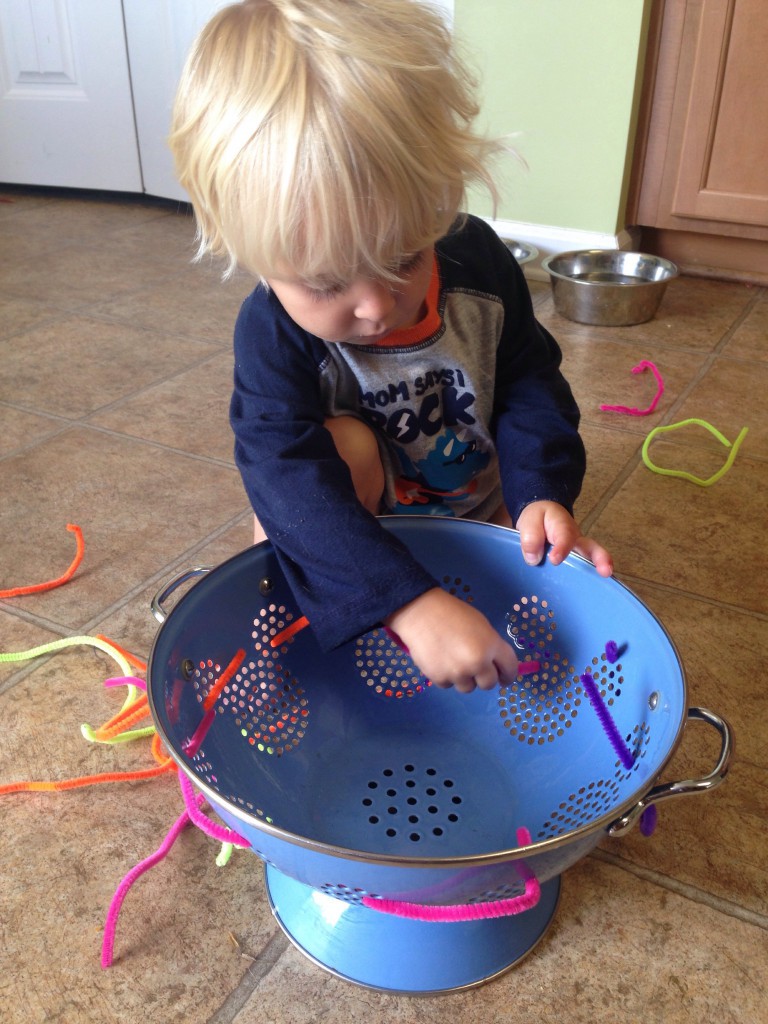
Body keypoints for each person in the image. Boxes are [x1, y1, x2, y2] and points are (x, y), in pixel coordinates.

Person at [170, 0, 613, 694]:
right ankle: (308, 628)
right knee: (327, 460)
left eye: (404, 258)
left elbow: (530, 381)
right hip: (353, 526)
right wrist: (405, 602)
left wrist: (540, 495)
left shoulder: (479, 264)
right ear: (248, 253)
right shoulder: (271, 332)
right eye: (326, 282)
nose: (376, 307)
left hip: (478, 508)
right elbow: (284, 476)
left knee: (548, 588)